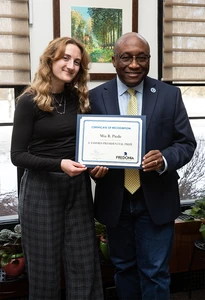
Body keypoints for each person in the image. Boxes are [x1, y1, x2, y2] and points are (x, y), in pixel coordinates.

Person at [89, 32, 197, 300]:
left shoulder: (169, 95)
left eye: (141, 57)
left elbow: (186, 144)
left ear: (149, 60)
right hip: (115, 201)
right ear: (114, 61)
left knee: (155, 273)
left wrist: (164, 159)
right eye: (126, 57)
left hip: (156, 201)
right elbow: (87, 144)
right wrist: (92, 165)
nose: (134, 64)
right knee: (123, 269)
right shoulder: (93, 97)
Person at [10, 37, 104, 300]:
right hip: (41, 190)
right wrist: (58, 164)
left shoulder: (80, 98)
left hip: (77, 189)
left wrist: (99, 161)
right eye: (65, 58)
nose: (71, 65)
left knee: (84, 265)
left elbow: (92, 142)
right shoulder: (29, 100)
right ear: (51, 59)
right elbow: (17, 156)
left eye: (76, 61)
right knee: (44, 271)